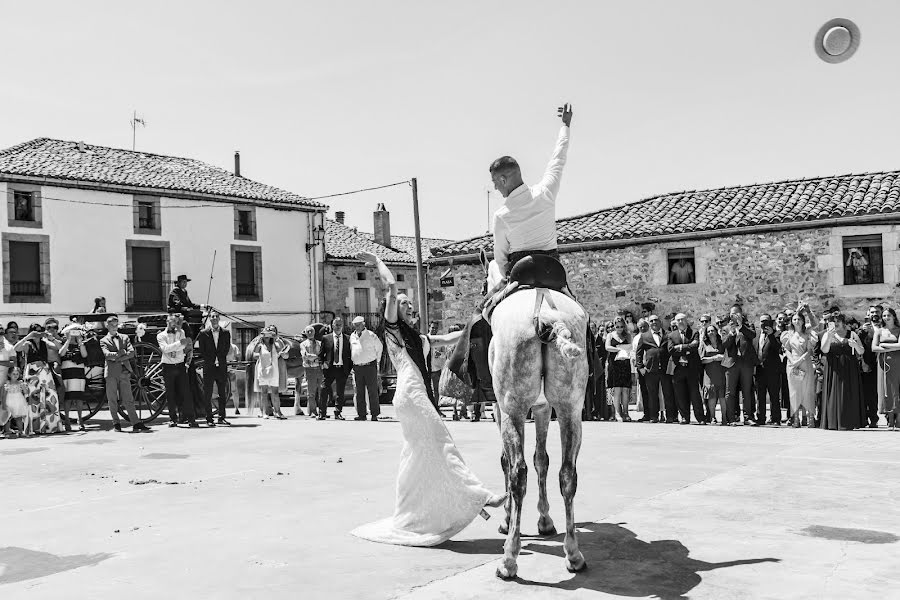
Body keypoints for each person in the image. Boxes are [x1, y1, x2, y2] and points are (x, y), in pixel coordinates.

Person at [350, 251, 504, 547]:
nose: (408, 305)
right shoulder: (392, 331)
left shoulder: (417, 337)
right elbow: (391, 287)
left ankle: (411, 514)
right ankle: (478, 495)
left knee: (418, 455)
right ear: (392, 310)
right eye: (403, 304)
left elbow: (448, 339)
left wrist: (481, 325)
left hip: (415, 394)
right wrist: (377, 262)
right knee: (441, 440)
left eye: (408, 304)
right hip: (411, 393)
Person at [490, 103, 572, 276]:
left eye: (495, 182)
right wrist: (565, 125)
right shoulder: (546, 192)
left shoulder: (501, 216)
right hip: (553, 274)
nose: (495, 187)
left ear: (503, 180)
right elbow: (558, 159)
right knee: (575, 303)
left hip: (520, 276)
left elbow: (502, 262)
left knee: (488, 304)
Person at [101, 316, 149, 432]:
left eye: (116, 325)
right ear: (107, 326)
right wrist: (121, 353)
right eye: (111, 325)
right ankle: (116, 423)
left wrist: (117, 357)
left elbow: (132, 352)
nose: (114, 327)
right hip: (111, 373)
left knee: (129, 398)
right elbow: (107, 355)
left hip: (124, 371)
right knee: (112, 399)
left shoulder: (125, 337)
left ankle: (136, 422)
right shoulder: (103, 340)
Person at [819, 312, 866, 430]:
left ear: (843, 322)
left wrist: (855, 345)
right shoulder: (827, 334)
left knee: (849, 393)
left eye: (838, 321)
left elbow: (861, 352)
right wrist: (829, 337)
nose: (835, 324)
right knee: (833, 394)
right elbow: (824, 350)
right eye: (832, 322)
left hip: (850, 368)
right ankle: (833, 422)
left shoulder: (852, 334)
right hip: (833, 369)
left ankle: (850, 421)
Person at [781, 307, 818, 429]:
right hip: (793, 365)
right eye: (794, 319)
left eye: (798, 319)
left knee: (807, 390)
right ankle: (795, 418)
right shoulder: (788, 334)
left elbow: (810, 349)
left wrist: (808, 311)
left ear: (803, 321)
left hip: (805, 363)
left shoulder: (807, 333)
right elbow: (787, 349)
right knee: (795, 391)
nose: (796, 321)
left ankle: (810, 418)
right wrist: (793, 361)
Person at [157, 314, 196, 427]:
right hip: (167, 366)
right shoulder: (161, 335)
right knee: (170, 394)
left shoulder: (181, 332)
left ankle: (190, 419)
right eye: (171, 321)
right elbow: (165, 349)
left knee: (185, 393)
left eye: (175, 321)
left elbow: (183, 348)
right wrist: (179, 344)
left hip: (179, 365)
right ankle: (173, 418)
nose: (173, 323)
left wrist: (176, 346)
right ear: (167, 322)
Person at [722, 307, 758, 425]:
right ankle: (731, 418)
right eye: (732, 314)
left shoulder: (748, 326)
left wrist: (741, 326)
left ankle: (748, 417)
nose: (735, 316)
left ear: (741, 314)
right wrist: (732, 332)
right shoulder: (726, 328)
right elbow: (725, 344)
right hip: (732, 363)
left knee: (747, 391)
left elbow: (752, 335)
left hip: (745, 363)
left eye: (737, 313)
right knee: (730, 392)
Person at [667, 313, 704, 424]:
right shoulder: (672, 335)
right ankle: (684, 417)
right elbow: (671, 350)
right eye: (678, 320)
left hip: (692, 368)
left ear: (686, 321)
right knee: (680, 394)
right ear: (676, 322)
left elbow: (695, 346)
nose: (681, 322)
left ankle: (700, 418)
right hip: (679, 368)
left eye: (682, 320)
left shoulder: (694, 332)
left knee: (695, 394)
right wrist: (687, 348)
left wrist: (680, 347)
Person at [197, 311, 232, 426]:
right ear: (210, 320)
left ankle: (221, 418)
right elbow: (202, 349)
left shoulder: (226, 333)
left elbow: (226, 348)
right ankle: (209, 419)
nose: (215, 318)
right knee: (208, 393)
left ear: (219, 319)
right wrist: (211, 358)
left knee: (222, 393)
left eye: (217, 317)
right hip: (209, 366)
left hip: (221, 366)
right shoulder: (203, 333)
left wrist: (219, 357)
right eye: (212, 317)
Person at [635, 315, 668, 423]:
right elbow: (638, 353)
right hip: (650, 370)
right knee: (652, 394)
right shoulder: (644, 336)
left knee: (667, 393)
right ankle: (653, 416)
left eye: (656, 320)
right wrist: (641, 367)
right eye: (651, 321)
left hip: (665, 369)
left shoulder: (667, 334)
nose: (654, 322)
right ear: (649, 323)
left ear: (660, 321)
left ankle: (671, 416)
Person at [319, 318, 353, 421]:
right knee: (324, 389)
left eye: (340, 324)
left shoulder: (348, 339)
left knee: (340, 393)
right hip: (330, 369)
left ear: (342, 326)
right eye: (336, 324)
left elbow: (350, 355)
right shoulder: (326, 338)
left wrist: (349, 369)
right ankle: (322, 413)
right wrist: (322, 364)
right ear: (332, 326)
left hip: (342, 369)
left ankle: (338, 413)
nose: (338, 326)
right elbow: (321, 354)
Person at [351, 316, 384, 421]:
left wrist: (376, 362)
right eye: (355, 325)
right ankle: (362, 414)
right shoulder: (352, 336)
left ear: (363, 324)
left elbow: (379, 348)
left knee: (372, 391)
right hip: (357, 367)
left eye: (359, 324)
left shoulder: (371, 335)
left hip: (370, 366)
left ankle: (374, 414)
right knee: (359, 392)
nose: (357, 327)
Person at [872, 307, 900, 430]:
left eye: (888, 315)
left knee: (896, 388)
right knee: (885, 390)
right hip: (883, 364)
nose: (886, 318)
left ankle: (898, 417)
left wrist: (884, 345)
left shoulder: (898, 330)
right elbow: (874, 348)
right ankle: (890, 418)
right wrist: (891, 347)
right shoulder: (879, 331)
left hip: (897, 362)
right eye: (884, 316)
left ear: (894, 316)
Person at [253, 326, 289, 420]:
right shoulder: (260, 345)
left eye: (269, 335)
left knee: (275, 392)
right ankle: (265, 412)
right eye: (265, 334)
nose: (267, 337)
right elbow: (254, 354)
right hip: (263, 370)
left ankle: (278, 412)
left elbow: (285, 354)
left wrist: (283, 353)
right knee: (264, 392)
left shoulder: (276, 344)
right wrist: (259, 342)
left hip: (274, 371)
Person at [754, 315, 783, 426]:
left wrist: (771, 334)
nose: (764, 323)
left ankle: (775, 418)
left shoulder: (776, 334)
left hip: (773, 370)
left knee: (774, 396)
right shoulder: (756, 335)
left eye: (766, 321)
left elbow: (778, 348)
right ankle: (760, 417)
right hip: (759, 370)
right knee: (760, 396)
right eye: (762, 321)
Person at [59, 323, 88, 431]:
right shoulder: (63, 343)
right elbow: (61, 353)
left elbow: (84, 355)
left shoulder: (81, 344)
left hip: (78, 373)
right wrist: (68, 340)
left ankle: (80, 420)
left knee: (79, 397)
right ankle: (66, 420)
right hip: (68, 373)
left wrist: (79, 341)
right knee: (68, 398)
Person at [858, 305, 883, 427]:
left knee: (886, 392)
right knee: (870, 393)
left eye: (877, 312)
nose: (874, 314)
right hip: (869, 365)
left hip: (885, 364)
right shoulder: (863, 329)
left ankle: (891, 417)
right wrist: (861, 332)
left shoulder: (887, 327)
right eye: (872, 312)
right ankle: (872, 418)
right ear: (868, 314)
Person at [605, 317, 632, 422]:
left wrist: (625, 349)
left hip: (625, 363)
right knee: (616, 389)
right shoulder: (610, 335)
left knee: (626, 389)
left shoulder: (628, 335)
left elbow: (630, 347)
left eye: (621, 326)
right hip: (614, 363)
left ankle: (626, 412)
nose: (619, 328)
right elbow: (607, 347)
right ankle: (617, 412)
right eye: (617, 326)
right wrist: (619, 349)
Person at [699, 324, 726, 424]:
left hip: (721, 371)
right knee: (712, 395)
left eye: (712, 331)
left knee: (722, 394)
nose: (711, 333)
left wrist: (721, 357)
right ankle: (712, 417)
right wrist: (714, 358)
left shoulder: (722, 342)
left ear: (716, 331)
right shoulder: (704, 344)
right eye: (709, 331)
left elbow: (728, 356)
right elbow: (701, 359)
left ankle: (724, 417)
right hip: (709, 373)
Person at [297, 326, 323, 417]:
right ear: (306, 333)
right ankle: (312, 411)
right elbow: (306, 356)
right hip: (310, 370)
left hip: (320, 370)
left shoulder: (320, 343)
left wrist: (314, 357)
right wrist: (317, 357)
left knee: (321, 392)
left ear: (314, 332)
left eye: (311, 331)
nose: (310, 333)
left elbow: (322, 356)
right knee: (311, 393)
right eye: (308, 331)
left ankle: (322, 411)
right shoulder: (303, 344)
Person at [1, 367, 30, 437]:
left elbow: (26, 392)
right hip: (9, 401)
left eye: (17, 374)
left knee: (19, 417)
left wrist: (25, 387)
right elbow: (4, 394)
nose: (15, 375)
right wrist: (4, 403)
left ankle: (20, 431)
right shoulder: (7, 383)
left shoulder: (20, 383)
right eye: (13, 374)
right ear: (9, 374)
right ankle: (7, 431)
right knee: (8, 417)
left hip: (18, 401)